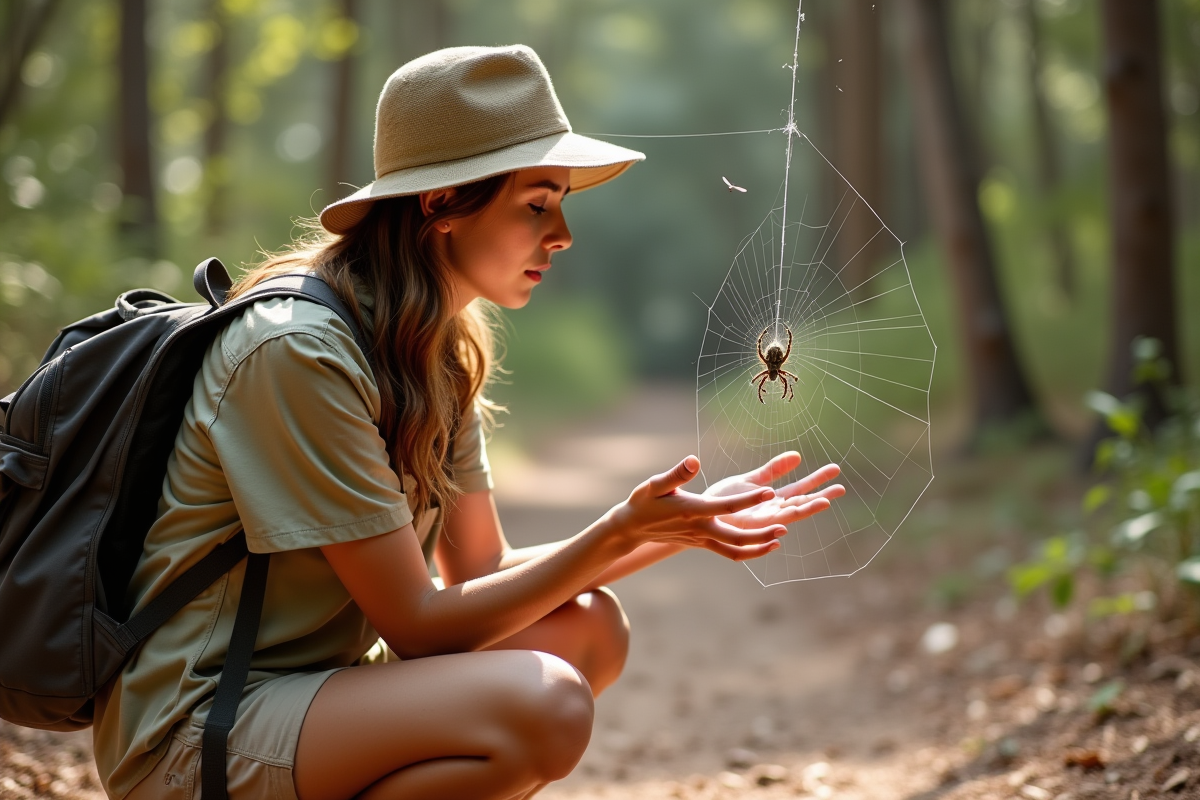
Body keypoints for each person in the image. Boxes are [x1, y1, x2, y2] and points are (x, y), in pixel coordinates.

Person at [97, 45, 845, 800]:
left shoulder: (438, 347)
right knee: (541, 702)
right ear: (441, 202)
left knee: (586, 626)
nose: (562, 234)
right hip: (199, 733)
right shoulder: (295, 352)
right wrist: (618, 528)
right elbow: (420, 624)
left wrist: (669, 527)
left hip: (314, 696)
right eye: (536, 203)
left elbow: (479, 573)